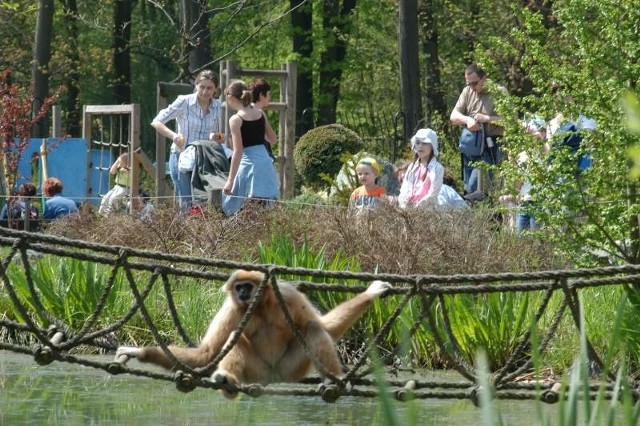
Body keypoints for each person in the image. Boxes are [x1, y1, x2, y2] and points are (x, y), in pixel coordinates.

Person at [151, 69, 223, 211]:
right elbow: (157, 121)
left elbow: (221, 134)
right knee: (186, 201)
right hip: (181, 156)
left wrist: (216, 136)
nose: (205, 91)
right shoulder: (184, 101)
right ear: (196, 85)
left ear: (215, 89)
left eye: (209, 88)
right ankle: (183, 230)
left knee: (205, 201)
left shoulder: (219, 107)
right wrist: (174, 136)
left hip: (205, 159)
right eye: (202, 87)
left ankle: (202, 231)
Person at [221, 80, 280, 215]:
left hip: (249, 165)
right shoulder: (260, 113)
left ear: (230, 97)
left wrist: (230, 181)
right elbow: (273, 139)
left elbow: (238, 151)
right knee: (266, 209)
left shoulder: (235, 119)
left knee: (237, 207)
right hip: (265, 163)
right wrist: (257, 136)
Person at [450, 64, 505, 195]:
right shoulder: (467, 91)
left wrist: (487, 118)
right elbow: (453, 116)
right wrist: (468, 120)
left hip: (491, 147)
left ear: (485, 78)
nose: (471, 87)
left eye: (474, 83)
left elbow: (512, 122)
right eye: (468, 84)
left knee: (479, 189)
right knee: (469, 189)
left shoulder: (499, 92)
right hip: (470, 147)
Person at [397, 128, 444, 208]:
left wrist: (419, 207)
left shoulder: (437, 168)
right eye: (418, 143)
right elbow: (405, 188)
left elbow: (433, 193)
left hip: (427, 211)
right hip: (408, 210)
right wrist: (403, 204)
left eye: (424, 143)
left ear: (432, 146)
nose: (420, 146)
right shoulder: (412, 167)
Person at [249, 78, 278, 163]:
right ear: (262, 94)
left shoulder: (243, 110)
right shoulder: (259, 113)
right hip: (259, 158)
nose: (270, 97)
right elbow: (273, 139)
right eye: (269, 94)